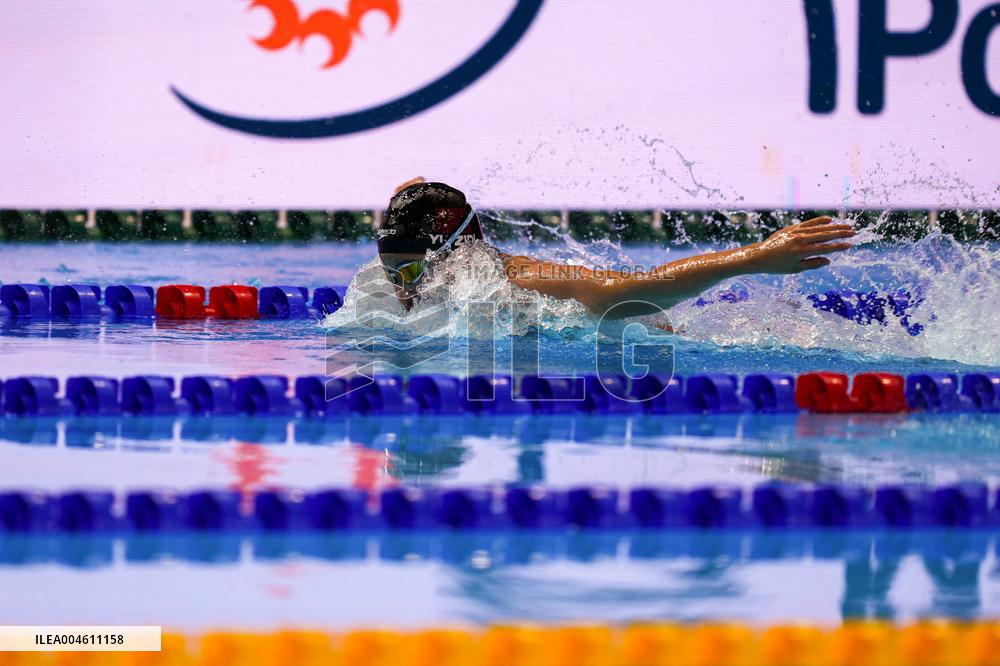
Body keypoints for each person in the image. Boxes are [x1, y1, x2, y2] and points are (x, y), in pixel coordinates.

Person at [377, 179, 855, 319]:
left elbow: (632, 290)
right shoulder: (421, 259)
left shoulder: (518, 282)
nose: (401, 286)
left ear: (459, 251)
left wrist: (752, 258)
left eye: (411, 271)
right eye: (390, 268)